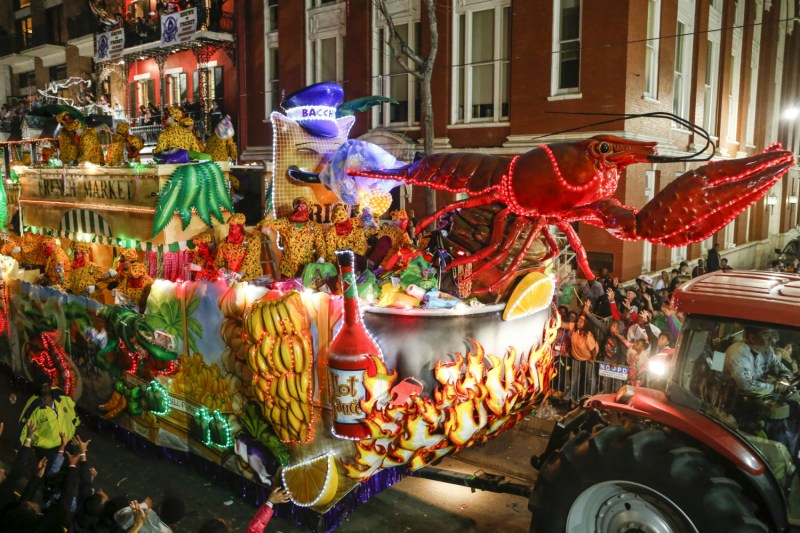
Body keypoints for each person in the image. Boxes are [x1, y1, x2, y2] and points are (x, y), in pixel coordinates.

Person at [724, 327, 795, 397]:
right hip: (734, 398)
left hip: (758, 396)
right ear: (752, 337)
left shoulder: (766, 351)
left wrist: (784, 379)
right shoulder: (738, 351)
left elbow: (784, 369)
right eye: (766, 335)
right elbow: (745, 385)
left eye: (771, 334)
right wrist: (775, 388)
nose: (771, 339)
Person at [114, 493, 185, 532]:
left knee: (121, 500)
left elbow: (117, 516)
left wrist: (143, 504)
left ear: (160, 508)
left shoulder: (141, 512)